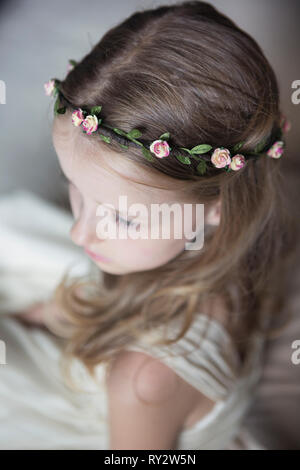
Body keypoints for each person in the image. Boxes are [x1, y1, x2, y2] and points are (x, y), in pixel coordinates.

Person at [0, 0, 296, 450]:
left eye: (121, 217)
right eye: (74, 186)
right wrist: (37, 317)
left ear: (217, 204)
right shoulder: (214, 247)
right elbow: (99, 301)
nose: (80, 233)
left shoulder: (143, 381)